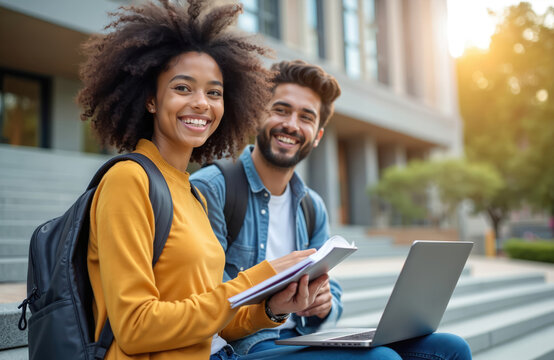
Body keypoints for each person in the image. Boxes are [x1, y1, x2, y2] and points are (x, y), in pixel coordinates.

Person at [78, 1, 329, 359]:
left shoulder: (191, 193)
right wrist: (254, 279)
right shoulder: (128, 180)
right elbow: (134, 328)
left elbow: (213, 317)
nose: (201, 103)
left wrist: (272, 307)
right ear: (151, 99)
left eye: (214, 93)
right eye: (183, 88)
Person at [191, 60, 473, 360]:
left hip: (299, 339)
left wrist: (323, 305)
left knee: (451, 349)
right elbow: (207, 303)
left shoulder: (311, 205)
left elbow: (332, 292)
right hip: (242, 348)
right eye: (281, 110)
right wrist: (273, 307)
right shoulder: (213, 188)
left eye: (306, 117)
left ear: (317, 136)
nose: (292, 124)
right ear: (258, 114)